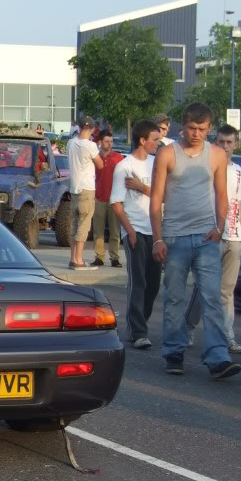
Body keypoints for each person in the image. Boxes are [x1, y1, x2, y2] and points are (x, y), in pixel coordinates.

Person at [150, 102, 239, 379]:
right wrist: (157, 239)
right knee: (175, 298)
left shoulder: (216, 155)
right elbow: (155, 200)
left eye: (202, 129)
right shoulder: (167, 154)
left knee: (211, 298)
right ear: (182, 126)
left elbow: (222, 195)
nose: (196, 133)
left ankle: (218, 357)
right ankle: (174, 353)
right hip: (174, 237)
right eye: (191, 128)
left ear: (209, 128)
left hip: (206, 237)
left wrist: (220, 227)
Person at [185, 124, 241, 354]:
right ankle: (188, 326)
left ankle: (228, 336)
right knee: (203, 287)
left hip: (233, 238)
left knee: (227, 290)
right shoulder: (206, 167)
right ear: (215, 143)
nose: (225, 146)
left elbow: (238, 207)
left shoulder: (237, 171)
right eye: (221, 142)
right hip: (210, 234)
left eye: (229, 142)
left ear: (236, 144)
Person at [110, 119, 162, 349]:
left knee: (154, 284)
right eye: (155, 139)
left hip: (156, 230)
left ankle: (141, 321)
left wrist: (142, 187)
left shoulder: (158, 164)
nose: (159, 144)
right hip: (136, 230)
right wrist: (129, 231)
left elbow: (165, 196)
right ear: (143, 140)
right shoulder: (124, 166)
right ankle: (138, 330)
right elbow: (116, 204)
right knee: (138, 281)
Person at [68, 116, 104, 269]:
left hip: (74, 188)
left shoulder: (71, 142)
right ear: (92, 129)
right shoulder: (90, 145)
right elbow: (100, 164)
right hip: (87, 188)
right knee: (84, 224)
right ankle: (79, 260)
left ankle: (72, 258)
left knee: (75, 225)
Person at [92, 132, 123, 267]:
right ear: (100, 142)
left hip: (114, 199)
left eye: (111, 141)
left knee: (115, 230)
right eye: (106, 141)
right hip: (99, 198)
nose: (109, 144)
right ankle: (99, 256)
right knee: (98, 231)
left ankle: (115, 257)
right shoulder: (95, 157)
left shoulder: (118, 158)